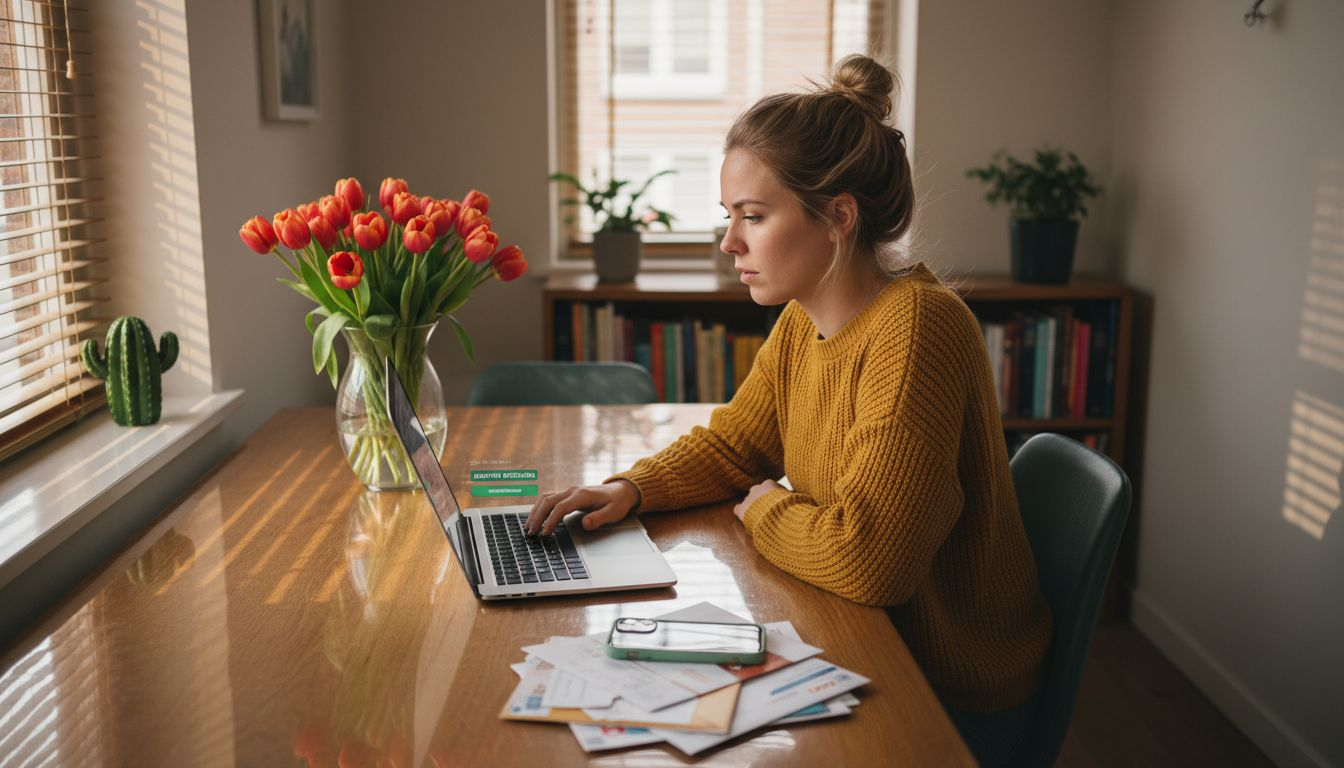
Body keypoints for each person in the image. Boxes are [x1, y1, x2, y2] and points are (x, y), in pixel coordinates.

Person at [525, 54, 1052, 766]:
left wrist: (766, 510)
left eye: (753, 216)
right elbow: (738, 444)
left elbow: (872, 562)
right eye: (728, 217)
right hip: (871, 645)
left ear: (837, 217)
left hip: (947, 690)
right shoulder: (807, 322)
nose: (728, 243)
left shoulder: (918, 327)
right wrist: (631, 489)